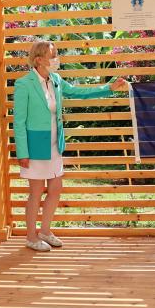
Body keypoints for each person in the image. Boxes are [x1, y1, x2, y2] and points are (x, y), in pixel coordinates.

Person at [13, 40, 126, 252]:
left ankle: (45, 231)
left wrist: (108, 88)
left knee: (55, 188)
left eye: (56, 54)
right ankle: (30, 236)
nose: (57, 59)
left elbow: (78, 92)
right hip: (35, 144)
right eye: (53, 55)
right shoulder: (24, 84)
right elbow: (18, 122)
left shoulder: (55, 79)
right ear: (39, 59)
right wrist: (23, 152)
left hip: (56, 143)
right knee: (36, 192)